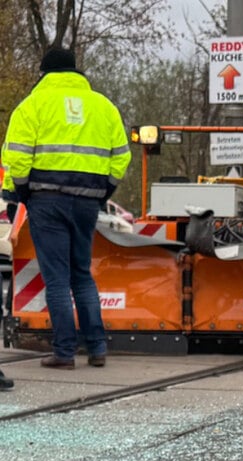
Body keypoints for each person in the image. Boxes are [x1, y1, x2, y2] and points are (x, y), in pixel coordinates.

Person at [1, 47, 131, 369]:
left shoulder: (32, 106)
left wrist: (22, 191)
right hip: (87, 202)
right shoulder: (104, 107)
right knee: (82, 275)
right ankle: (98, 349)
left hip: (46, 201)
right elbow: (121, 157)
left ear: (44, 73)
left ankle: (64, 351)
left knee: (57, 279)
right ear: (76, 73)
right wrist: (104, 192)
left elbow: (17, 157)